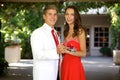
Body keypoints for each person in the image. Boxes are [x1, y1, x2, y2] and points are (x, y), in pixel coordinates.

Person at [30, 5, 60, 80]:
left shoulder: (55, 33)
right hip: (43, 76)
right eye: (50, 14)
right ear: (44, 16)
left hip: (55, 74)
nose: (53, 17)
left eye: (55, 14)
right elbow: (38, 54)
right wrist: (56, 51)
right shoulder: (37, 33)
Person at [58, 6, 86, 80]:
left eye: (72, 14)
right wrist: (62, 50)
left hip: (74, 67)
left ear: (75, 16)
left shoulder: (80, 31)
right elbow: (69, 51)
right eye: (67, 14)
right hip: (65, 65)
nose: (69, 17)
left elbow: (83, 53)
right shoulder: (66, 31)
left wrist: (68, 50)